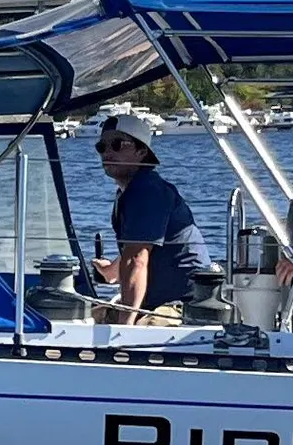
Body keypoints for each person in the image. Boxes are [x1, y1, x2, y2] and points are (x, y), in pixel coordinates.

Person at [89, 110, 209, 323]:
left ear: (141, 151)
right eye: (101, 147)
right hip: (162, 302)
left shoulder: (146, 190)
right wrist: (112, 270)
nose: (107, 152)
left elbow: (137, 259)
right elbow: (135, 249)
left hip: (183, 305)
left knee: (134, 326)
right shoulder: (132, 191)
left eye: (117, 144)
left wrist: (124, 327)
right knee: (88, 314)